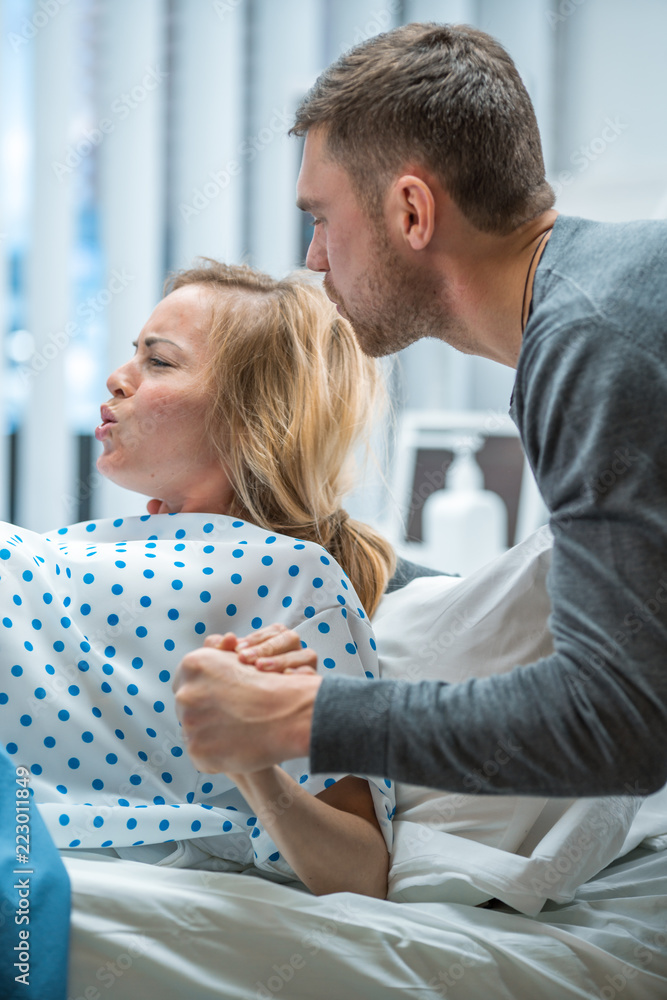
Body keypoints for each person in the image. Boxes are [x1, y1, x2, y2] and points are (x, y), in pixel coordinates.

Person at [173, 22, 667, 800]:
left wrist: (302, 717)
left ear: (411, 212)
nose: (312, 259)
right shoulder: (608, 294)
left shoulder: (590, 345)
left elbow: (618, 721)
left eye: (321, 218)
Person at [0, 260, 395, 899]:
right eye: (135, 354)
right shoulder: (85, 545)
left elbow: (363, 872)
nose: (117, 378)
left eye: (159, 362)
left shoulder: (293, 579)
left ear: (250, 416)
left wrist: (256, 772)